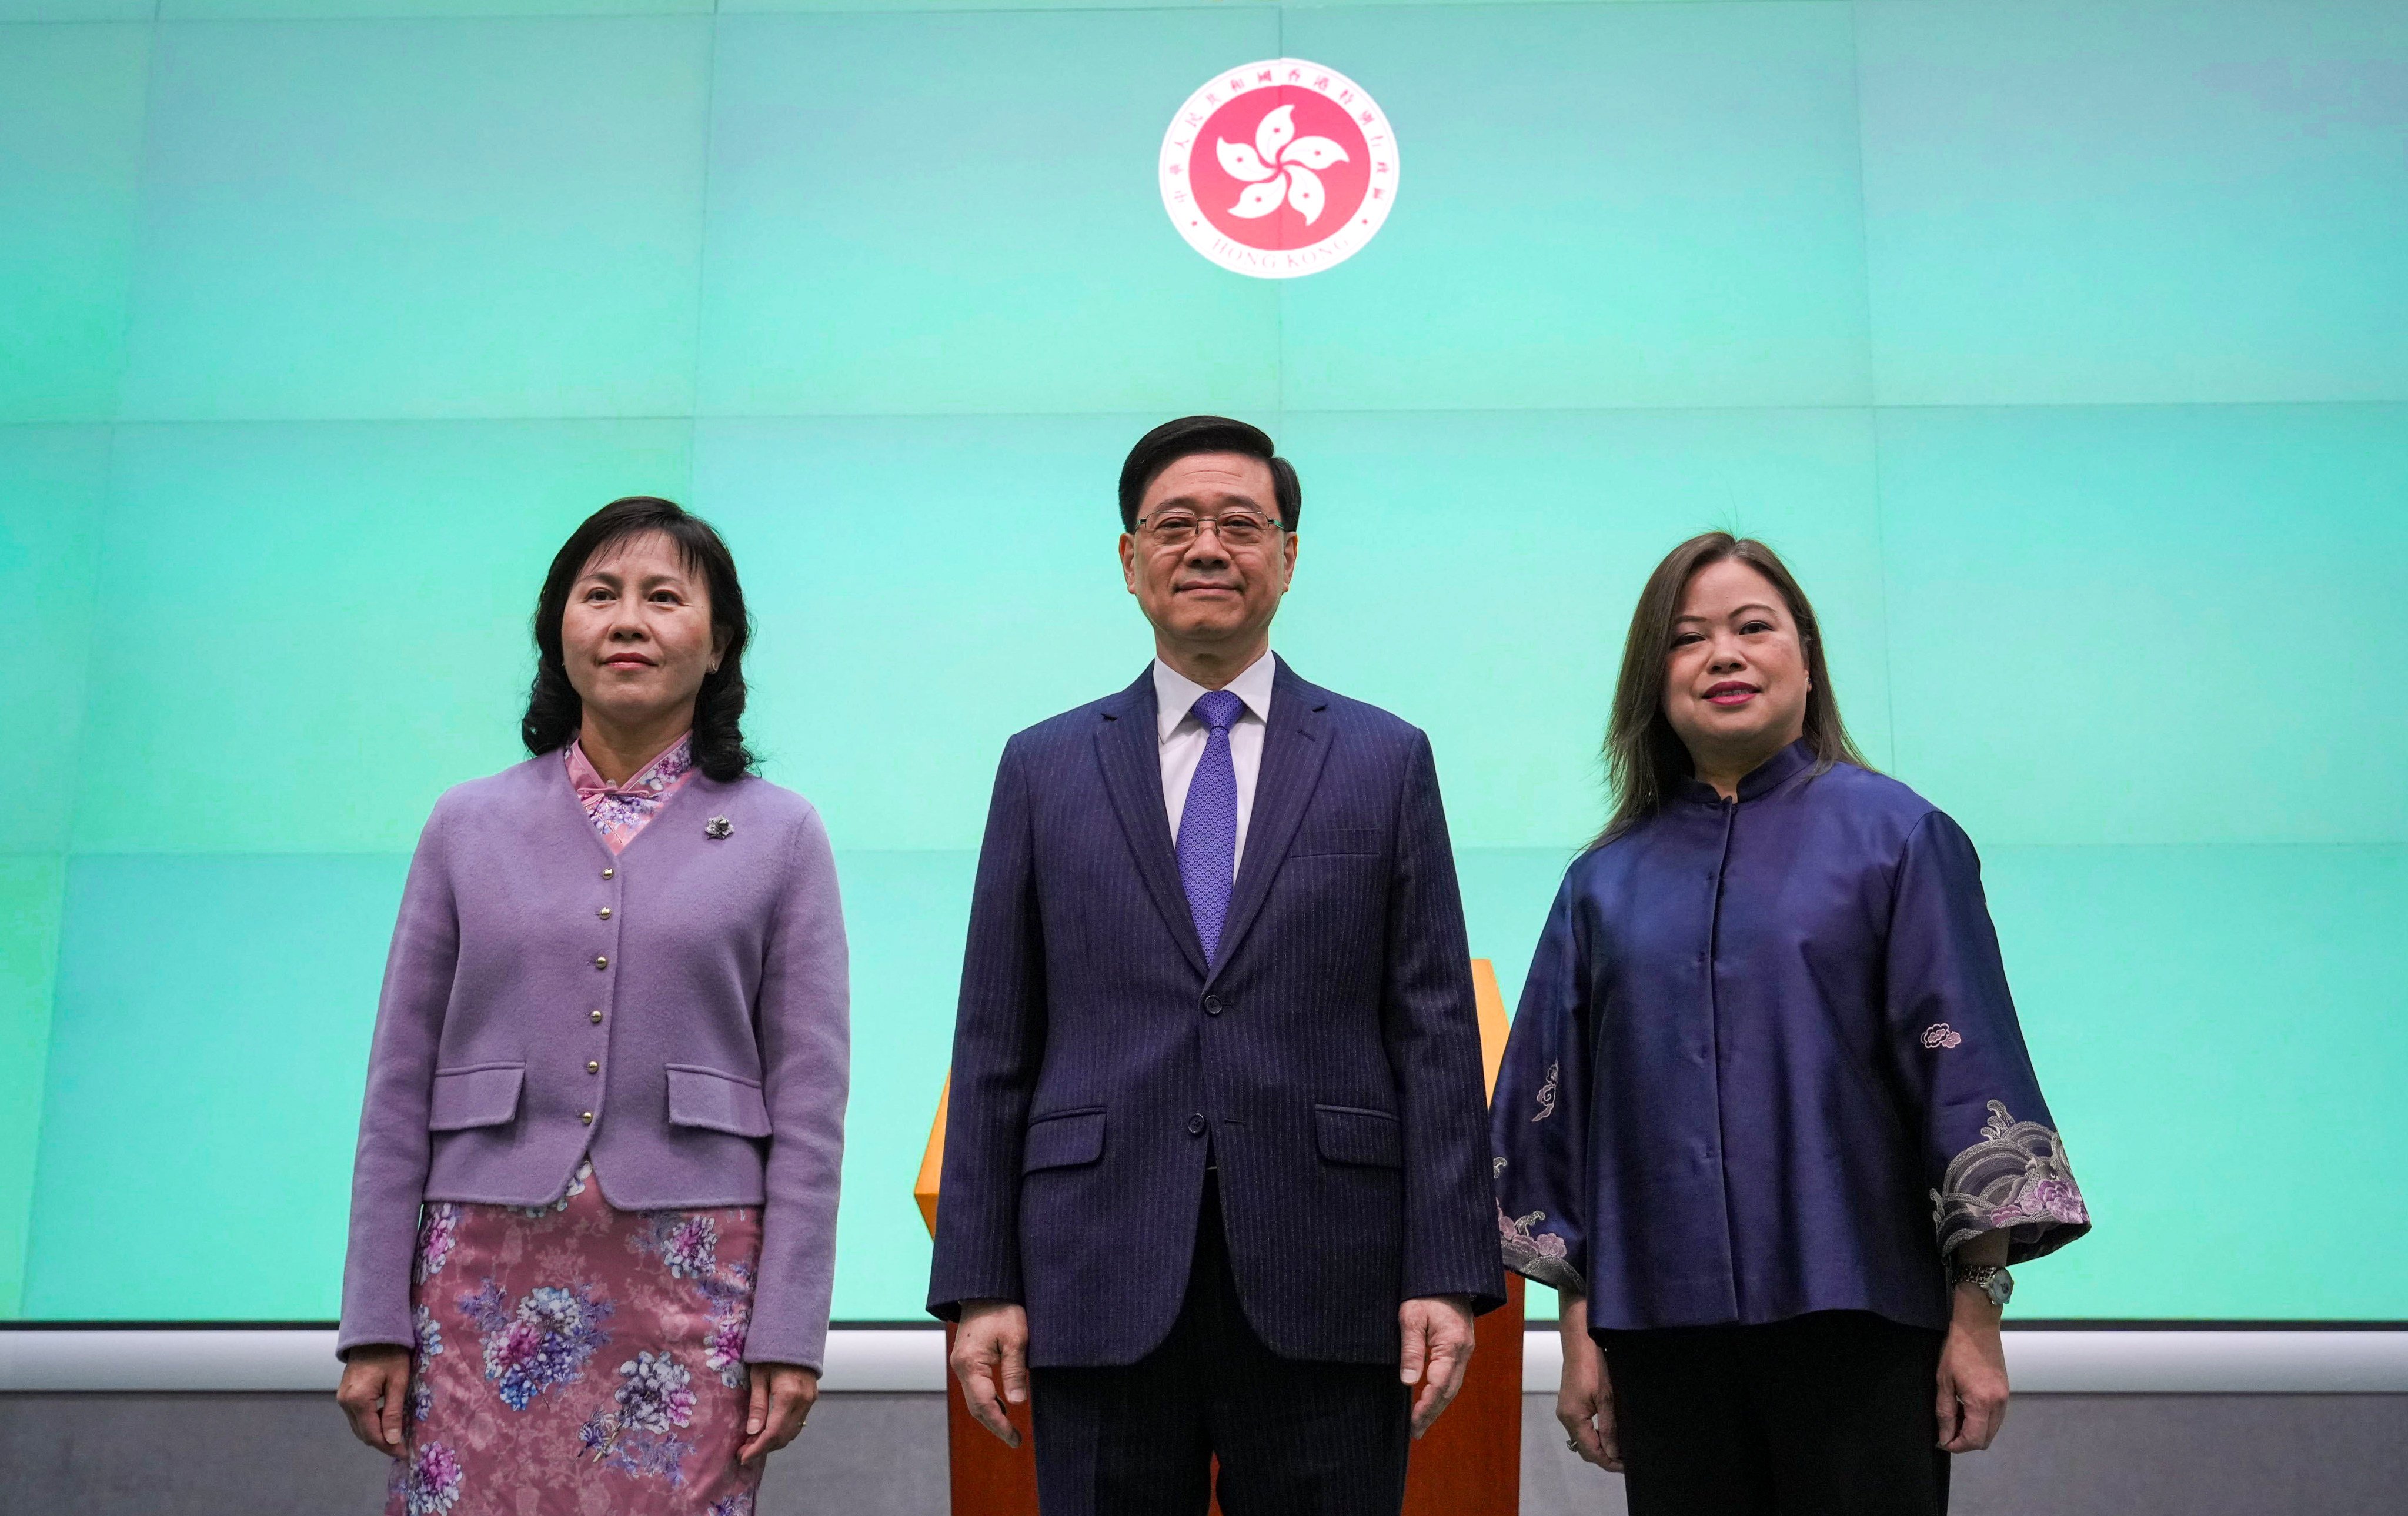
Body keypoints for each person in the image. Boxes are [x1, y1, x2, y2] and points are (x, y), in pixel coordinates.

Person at [927, 416, 1504, 1515]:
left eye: (1242, 524)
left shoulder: (1385, 758)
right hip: (1096, 1273)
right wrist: (979, 1281)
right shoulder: (1044, 766)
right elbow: (995, 1037)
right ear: (1129, 560)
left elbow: (1433, 1031)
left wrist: (1445, 1268)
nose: (1207, 547)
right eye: (1175, 525)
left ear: (1287, 557)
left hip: (1328, 1273)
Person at [1492, 532, 2089, 1515]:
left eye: (1752, 627)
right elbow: (1562, 1120)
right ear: (1655, 682)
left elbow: (1966, 1074)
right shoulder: (1602, 884)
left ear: (1806, 661)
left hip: (1861, 1313)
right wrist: (1579, 1329)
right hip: (1662, 1333)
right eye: (1688, 639)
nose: (1723, 655)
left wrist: (1978, 1314)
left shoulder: (1900, 837)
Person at [335, 497, 850, 1515]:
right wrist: (372, 1320)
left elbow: (811, 1110)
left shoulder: (783, 835)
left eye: (665, 598)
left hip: (693, 1285)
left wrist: (790, 1331)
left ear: (720, 644)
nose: (628, 620)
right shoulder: (464, 821)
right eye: (599, 594)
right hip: (478, 1275)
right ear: (555, 630)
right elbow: (396, 1086)